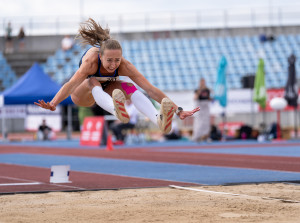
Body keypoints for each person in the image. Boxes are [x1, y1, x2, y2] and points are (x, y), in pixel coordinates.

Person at [34, 18, 200, 134]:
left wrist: (178, 110)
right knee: (93, 80)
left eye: (117, 60)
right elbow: (70, 84)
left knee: (130, 87)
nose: (113, 64)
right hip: (82, 94)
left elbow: (150, 89)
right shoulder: (91, 62)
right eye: (109, 60)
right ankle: (117, 109)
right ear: (101, 57)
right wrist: (54, 103)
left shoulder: (124, 65)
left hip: (106, 89)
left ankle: (159, 119)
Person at [192, 78, 211, 142]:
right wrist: (200, 90)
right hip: (200, 106)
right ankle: (197, 137)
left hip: (206, 106)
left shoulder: (207, 90)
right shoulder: (197, 90)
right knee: (199, 122)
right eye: (202, 82)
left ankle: (205, 136)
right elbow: (195, 98)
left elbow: (208, 98)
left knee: (206, 123)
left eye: (204, 82)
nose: (203, 84)